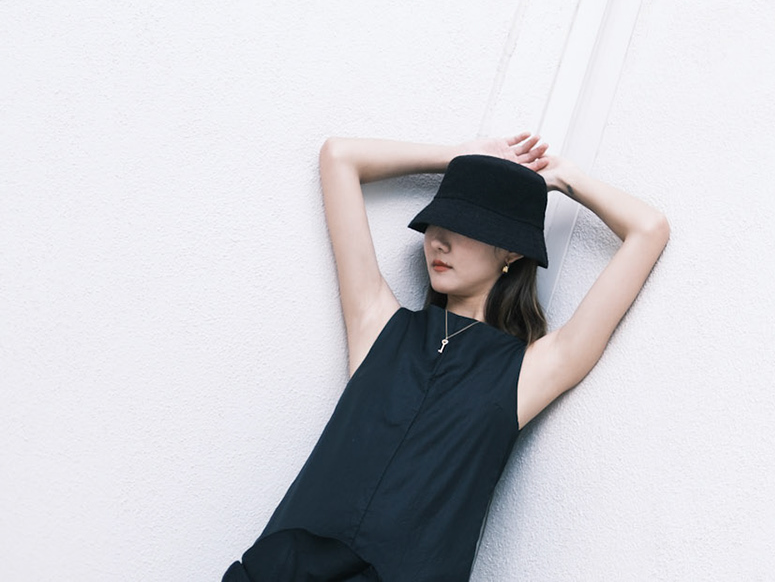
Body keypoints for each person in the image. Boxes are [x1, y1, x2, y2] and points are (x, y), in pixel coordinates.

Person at [223, 132, 670, 582]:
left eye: (464, 226)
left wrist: (562, 177)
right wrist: (461, 158)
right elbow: (340, 157)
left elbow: (648, 229)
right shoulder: (378, 325)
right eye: (436, 223)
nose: (438, 241)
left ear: (512, 250)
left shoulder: (526, 372)